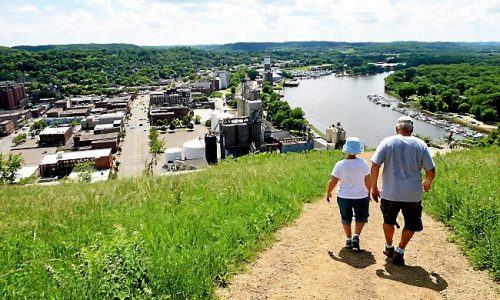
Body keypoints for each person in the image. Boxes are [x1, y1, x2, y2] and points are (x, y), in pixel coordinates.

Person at [370, 116, 436, 265]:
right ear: (412, 129)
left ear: (396, 129)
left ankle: (389, 246)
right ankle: (400, 250)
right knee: (411, 224)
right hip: (412, 194)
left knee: (388, 220)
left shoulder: (387, 142)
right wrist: (427, 181)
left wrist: (374, 187)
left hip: (390, 192)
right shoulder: (421, 144)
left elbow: (375, 165)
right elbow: (430, 169)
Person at [326, 137, 371, 251]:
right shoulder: (363, 164)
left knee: (346, 218)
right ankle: (356, 236)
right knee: (361, 217)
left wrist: (328, 192)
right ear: (358, 150)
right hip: (361, 196)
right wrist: (369, 192)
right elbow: (368, 181)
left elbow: (333, 181)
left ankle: (348, 239)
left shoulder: (340, 164)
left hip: (344, 196)